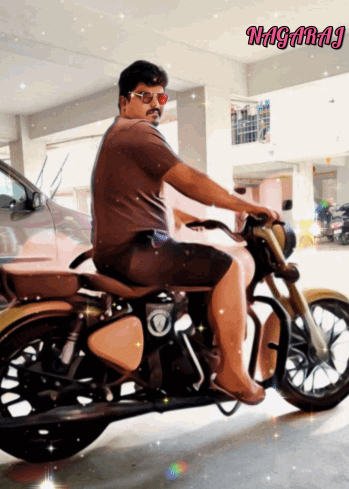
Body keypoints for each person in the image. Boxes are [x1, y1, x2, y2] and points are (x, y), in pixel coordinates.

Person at [91, 60, 279, 405]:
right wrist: (247, 206)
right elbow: (190, 180)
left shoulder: (116, 137)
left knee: (193, 256)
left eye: (160, 98)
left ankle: (198, 354)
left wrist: (188, 220)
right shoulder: (137, 132)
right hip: (137, 249)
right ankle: (232, 373)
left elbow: (140, 201)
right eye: (144, 96)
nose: (154, 104)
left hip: (130, 246)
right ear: (124, 102)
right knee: (227, 267)